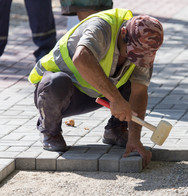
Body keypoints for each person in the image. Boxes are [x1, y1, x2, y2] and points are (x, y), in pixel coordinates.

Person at [28, 8, 164, 168]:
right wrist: (115, 99)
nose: (132, 57)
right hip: (64, 93)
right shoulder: (101, 27)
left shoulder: (143, 49)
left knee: (133, 79)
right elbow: (81, 59)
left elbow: (139, 92)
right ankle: (49, 131)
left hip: (98, 94)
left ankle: (116, 130)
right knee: (56, 82)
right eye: (131, 52)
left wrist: (135, 139)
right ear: (123, 33)